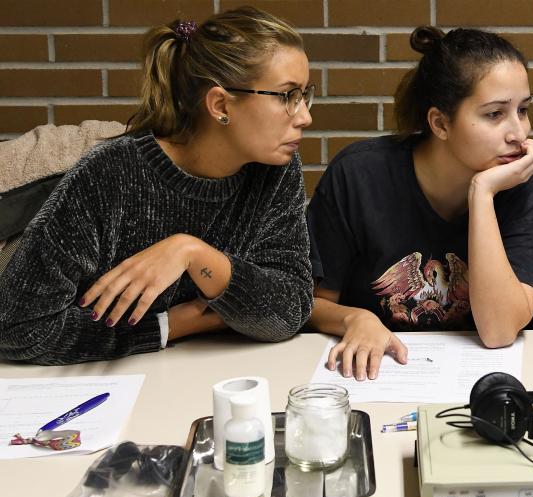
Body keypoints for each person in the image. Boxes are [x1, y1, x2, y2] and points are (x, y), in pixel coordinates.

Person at [0, 6, 315, 365]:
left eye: (305, 94)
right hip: (99, 386)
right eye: (287, 96)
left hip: (206, 374)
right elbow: (18, 328)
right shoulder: (109, 176)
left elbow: (291, 310)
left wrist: (192, 254)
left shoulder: (275, 170)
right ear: (220, 104)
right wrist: (169, 326)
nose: (305, 115)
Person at [307, 26, 533, 381]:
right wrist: (355, 318)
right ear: (440, 123)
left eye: (523, 109)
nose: (519, 133)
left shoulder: (527, 184)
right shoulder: (359, 175)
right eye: (495, 114)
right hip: (371, 373)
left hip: (475, 377)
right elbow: (312, 304)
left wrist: (482, 194)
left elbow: (499, 331)